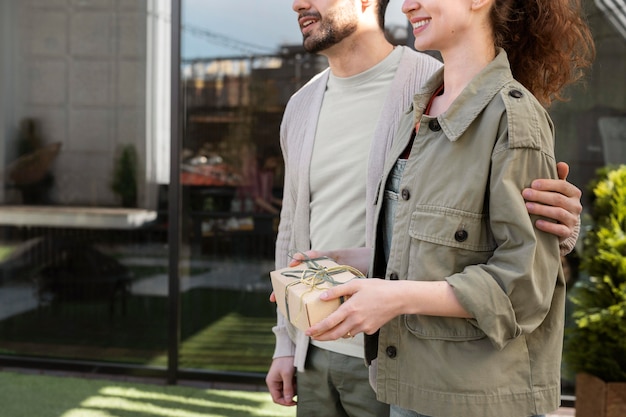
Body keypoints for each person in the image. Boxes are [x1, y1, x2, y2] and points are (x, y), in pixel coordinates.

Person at [267, 0, 586, 416]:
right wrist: (356, 263)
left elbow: (523, 278)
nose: (406, 4)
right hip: (389, 373)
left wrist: (393, 296)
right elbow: (427, 239)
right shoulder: (420, 105)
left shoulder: (481, 104)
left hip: (446, 381)